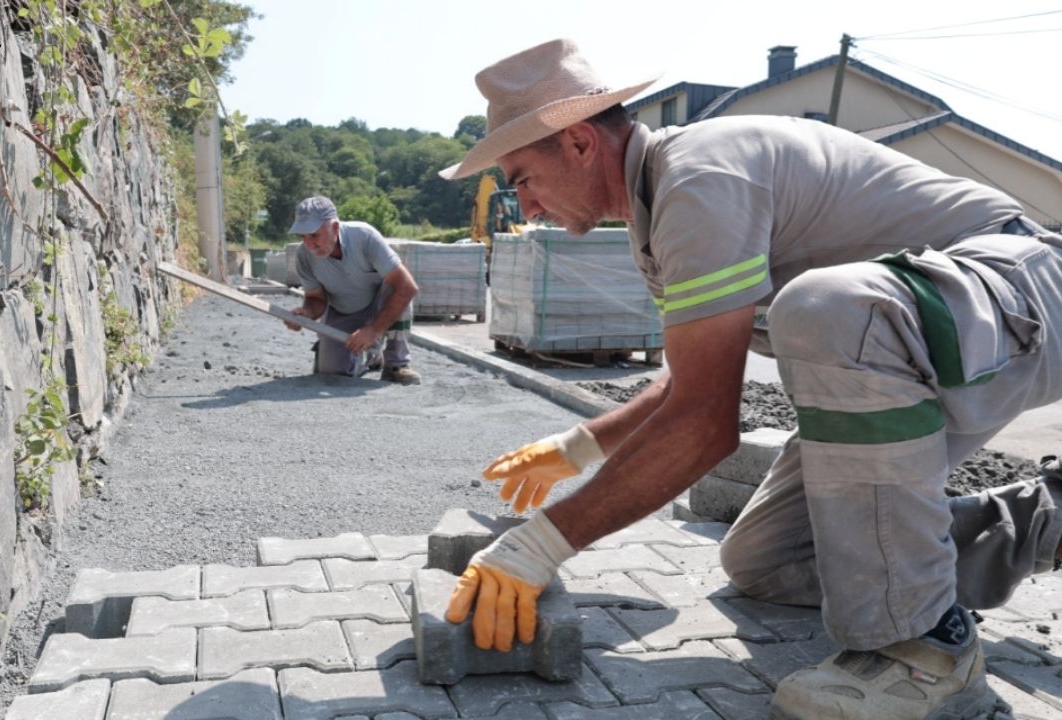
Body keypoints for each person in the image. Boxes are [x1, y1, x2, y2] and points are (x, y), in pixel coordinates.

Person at [439, 38, 1062, 720]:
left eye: (523, 177)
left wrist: (541, 545)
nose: (524, 207)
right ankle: (1046, 522)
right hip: (926, 349)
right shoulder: (660, 210)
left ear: (582, 143)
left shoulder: (701, 179)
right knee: (768, 561)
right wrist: (582, 445)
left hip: (1019, 292)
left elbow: (706, 427)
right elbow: (694, 386)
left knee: (827, 308)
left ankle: (927, 651)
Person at [284, 196, 422, 384]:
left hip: (379, 304)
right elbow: (316, 299)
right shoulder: (304, 256)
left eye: (314, 235)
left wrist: (374, 329)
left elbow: (407, 287)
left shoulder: (364, 236)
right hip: (343, 310)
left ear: (334, 227)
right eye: (303, 237)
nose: (309, 245)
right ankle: (373, 357)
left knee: (398, 288)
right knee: (332, 373)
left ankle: (396, 365)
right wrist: (306, 313)